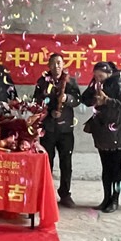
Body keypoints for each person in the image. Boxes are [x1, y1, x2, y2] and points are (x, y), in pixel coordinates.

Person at [33, 53, 81, 208]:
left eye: (59, 63)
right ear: (48, 66)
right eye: (53, 63)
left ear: (63, 64)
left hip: (66, 129)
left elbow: (77, 100)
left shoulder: (70, 81)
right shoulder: (42, 81)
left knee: (66, 163)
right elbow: (36, 102)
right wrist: (49, 111)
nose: (57, 66)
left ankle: (65, 194)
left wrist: (67, 98)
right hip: (48, 129)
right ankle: (46, 194)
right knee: (47, 163)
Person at [81, 61, 121, 213]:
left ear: (109, 74)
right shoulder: (96, 86)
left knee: (115, 169)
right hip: (102, 133)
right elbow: (85, 100)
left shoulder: (118, 86)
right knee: (106, 168)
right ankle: (106, 198)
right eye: (95, 76)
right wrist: (92, 88)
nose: (98, 79)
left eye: (101, 76)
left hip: (116, 133)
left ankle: (115, 200)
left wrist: (107, 100)